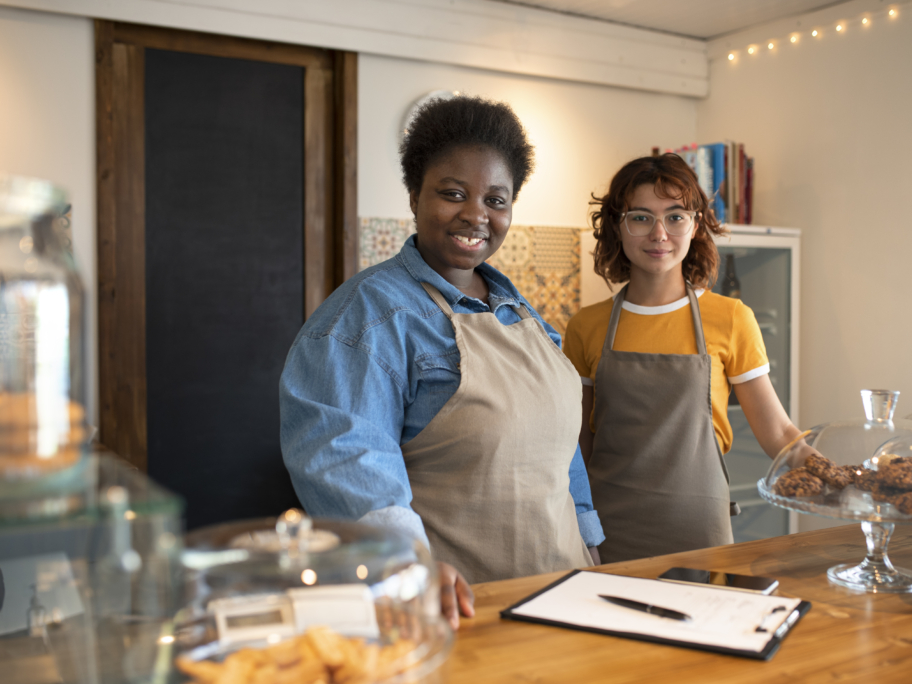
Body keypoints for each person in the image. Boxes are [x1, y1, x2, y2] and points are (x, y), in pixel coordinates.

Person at [280, 96, 603, 629]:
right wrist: (408, 565)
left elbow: (561, 448)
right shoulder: (364, 320)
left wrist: (591, 548)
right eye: (453, 193)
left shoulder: (522, 313)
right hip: (451, 610)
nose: (476, 214)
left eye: (496, 199)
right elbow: (345, 455)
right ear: (414, 196)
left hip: (563, 596)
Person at [563, 154, 801, 564]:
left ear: (696, 224)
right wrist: (578, 530)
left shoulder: (732, 319)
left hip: (699, 530)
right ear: (617, 226)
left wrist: (843, 478)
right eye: (641, 217)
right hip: (607, 531)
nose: (659, 233)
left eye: (675, 217)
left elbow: (779, 434)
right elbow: (577, 446)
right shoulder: (586, 326)